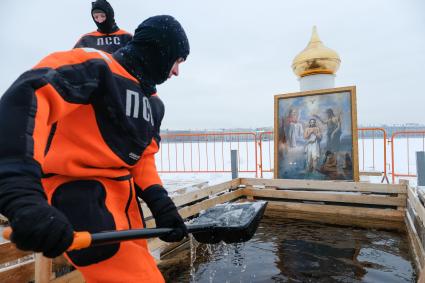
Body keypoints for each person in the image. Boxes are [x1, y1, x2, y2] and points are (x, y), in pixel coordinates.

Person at [0, 15, 189, 283]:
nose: (176, 72)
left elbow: (144, 158)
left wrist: (162, 205)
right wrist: (20, 195)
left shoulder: (154, 103)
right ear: (159, 50)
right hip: (80, 197)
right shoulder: (96, 65)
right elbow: (28, 98)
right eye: (177, 61)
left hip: (125, 205)